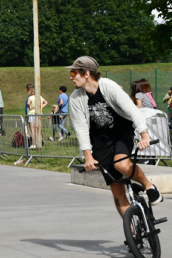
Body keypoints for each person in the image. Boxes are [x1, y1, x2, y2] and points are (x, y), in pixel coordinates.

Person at [68, 56, 163, 219]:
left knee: (122, 165)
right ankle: (132, 234)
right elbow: (81, 128)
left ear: (86, 74)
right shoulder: (75, 98)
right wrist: (88, 157)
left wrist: (144, 135)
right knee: (117, 190)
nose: (71, 77)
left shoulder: (109, 87)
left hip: (121, 133)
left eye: (74, 72)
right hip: (99, 142)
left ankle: (148, 185)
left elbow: (133, 111)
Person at [25, 84, 48, 149]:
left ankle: (34, 143)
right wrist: (40, 107)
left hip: (32, 114)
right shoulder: (39, 97)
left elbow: (28, 103)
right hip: (39, 114)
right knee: (38, 129)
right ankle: (39, 142)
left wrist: (30, 107)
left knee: (32, 130)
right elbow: (46, 102)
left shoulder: (30, 97)